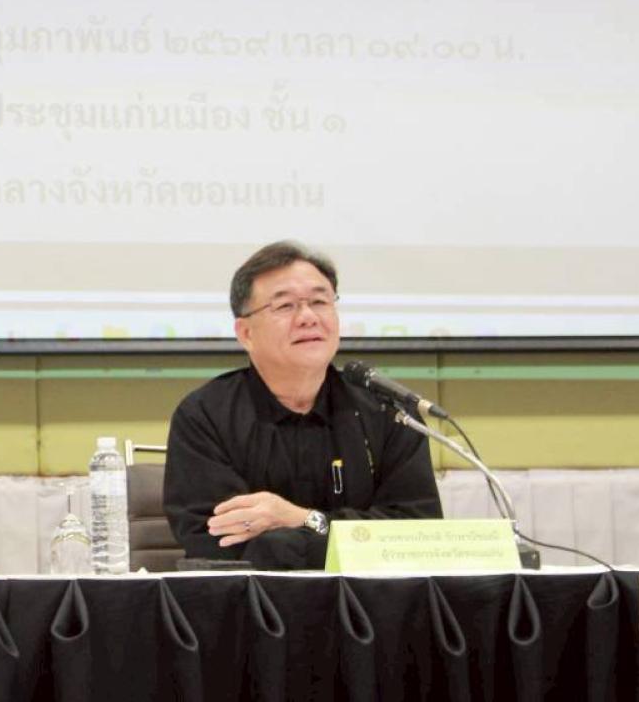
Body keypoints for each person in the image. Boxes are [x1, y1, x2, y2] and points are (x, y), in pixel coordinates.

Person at [163, 241, 441, 570]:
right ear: (246, 332)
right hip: (255, 599)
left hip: (370, 596)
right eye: (285, 306)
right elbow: (215, 543)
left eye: (320, 302)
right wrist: (340, 539)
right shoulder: (205, 415)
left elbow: (417, 533)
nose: (308, 317)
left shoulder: (387, 411)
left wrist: (301, 519)